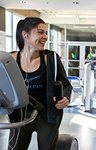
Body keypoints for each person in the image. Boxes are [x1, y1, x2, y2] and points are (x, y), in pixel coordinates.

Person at [8, 17, 72, 150]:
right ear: (25, 35)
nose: (45, 37)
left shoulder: (51, 58)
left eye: (46, 33)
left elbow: (66, 84)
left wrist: (65, 97)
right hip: (20, 117)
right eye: (40, 32)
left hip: (46, 117)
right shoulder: (11, 60)